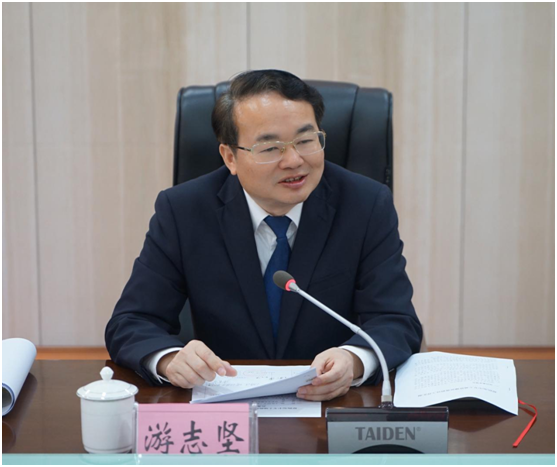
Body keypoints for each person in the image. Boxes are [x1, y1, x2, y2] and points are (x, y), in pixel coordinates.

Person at [105, 69, 422, 402]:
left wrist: (354, 360)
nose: (294, 161)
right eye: (270, 148)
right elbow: (132, 321)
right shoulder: (184, 210)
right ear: (230, 157)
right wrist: (169, 359)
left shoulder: (365, 205)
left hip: (331, 404)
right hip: (224, 402)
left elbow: (395, 320)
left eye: (306, 141)